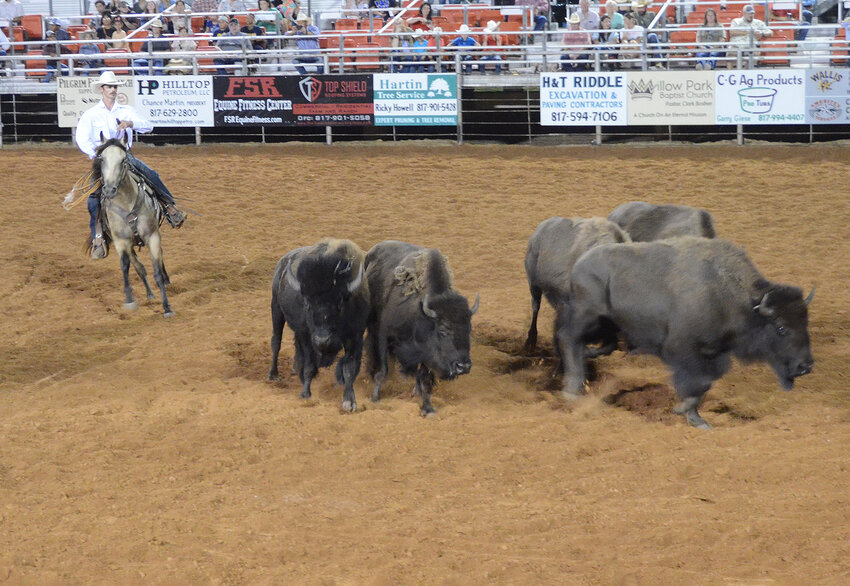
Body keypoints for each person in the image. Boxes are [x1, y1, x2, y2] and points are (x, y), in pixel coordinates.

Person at [73, 71, 185, 259]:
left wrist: (129, 123)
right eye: (109, 86)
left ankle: (170, 207)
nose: (113, 90)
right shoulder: (91, 114)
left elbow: (148, 125)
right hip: (103, 162)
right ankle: (98, 238)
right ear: (102, 89)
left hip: (125, 157)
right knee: (93, 199)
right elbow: (81, 138)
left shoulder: (125, 110)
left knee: (151, 174)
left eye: (115, 86)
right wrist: (98, 154)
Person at [631, 0, 665, 69]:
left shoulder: (652, 14)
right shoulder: (633, 16)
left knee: (653, 36)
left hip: (648, 35)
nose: (640, 9)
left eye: (642, 7)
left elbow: (656, 27)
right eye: (639, 8)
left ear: (646, 7)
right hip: (637, 36)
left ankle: (658, 61)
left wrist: (646, 32)